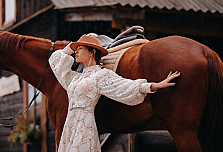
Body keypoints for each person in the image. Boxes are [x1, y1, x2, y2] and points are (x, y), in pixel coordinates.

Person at [49, 34, 181, 152]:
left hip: (85, 125)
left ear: (92, 51)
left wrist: (155, 85)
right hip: (70, 126)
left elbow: (125, 86)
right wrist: (71, 47)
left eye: (80, 48)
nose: (76, 51)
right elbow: (55, 61)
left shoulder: (101, 75)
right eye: (76, 49)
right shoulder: (76, 77)